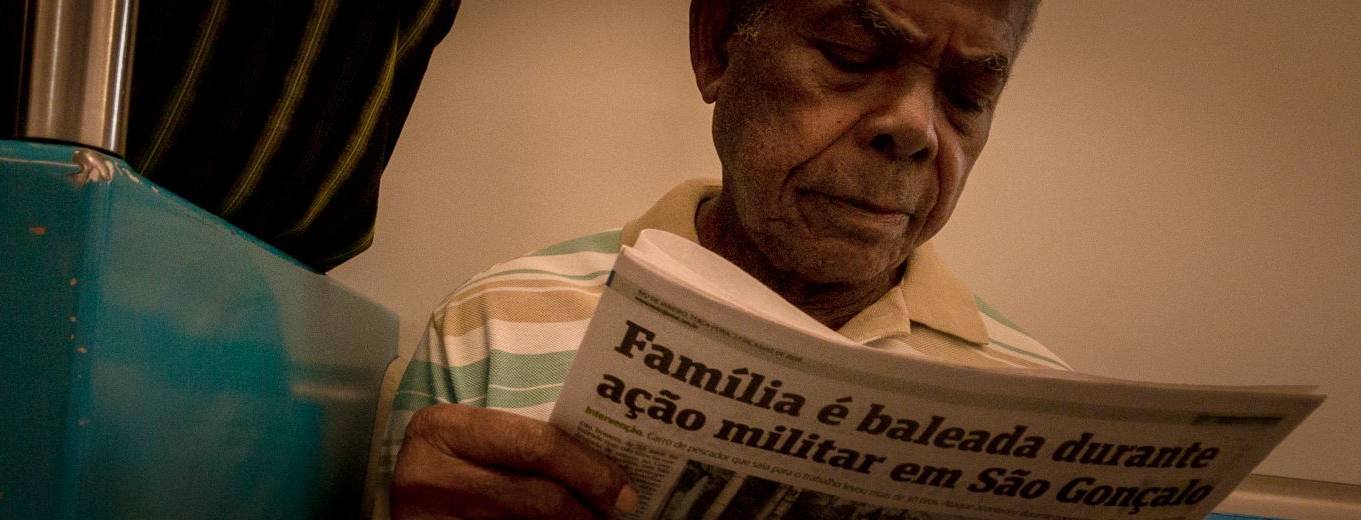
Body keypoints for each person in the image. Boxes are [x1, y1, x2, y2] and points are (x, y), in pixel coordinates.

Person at [382, 0, 1066, 517]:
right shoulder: (490, 326)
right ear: (718, 43)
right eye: (852, 55)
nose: (916, 128)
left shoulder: (1052, 422)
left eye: (967, 96)